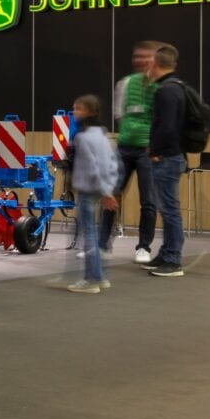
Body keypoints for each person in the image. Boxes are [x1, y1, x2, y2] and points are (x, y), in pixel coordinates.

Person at [100, 41, 160, 263]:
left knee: (149, 201)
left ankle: (144, 247)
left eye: (147, 56)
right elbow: (119, 115)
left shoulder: (161, 86)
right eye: (138, 56)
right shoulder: (124, 84)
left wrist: (151, 142)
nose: (141, 60)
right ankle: (102, 245)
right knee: (111, 195)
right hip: (124, 148)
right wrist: (132, 133)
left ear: (155, 59)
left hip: (148, 151)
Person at [141, 44, 188, 277]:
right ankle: (166, 253)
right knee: (168, 208)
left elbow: (167, 126)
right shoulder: (178, 87)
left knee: (170, 210)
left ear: (156, 64)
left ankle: (173, 259)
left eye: (149, 63)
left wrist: (156, 151)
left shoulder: (165, 91)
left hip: (167, 157)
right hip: (174, 155)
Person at [66, 95, 120, 294]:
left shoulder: (82, 137)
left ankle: (92, 279)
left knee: (88, 235)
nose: (75, 112)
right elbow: (111, 164)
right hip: (101, 188)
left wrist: (105, 193)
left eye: (78, 108)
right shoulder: (103, 135)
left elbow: (91, 167)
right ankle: (100, 277)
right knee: (93, 234)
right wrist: (109, 189)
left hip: (88, 190)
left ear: (90, 112)